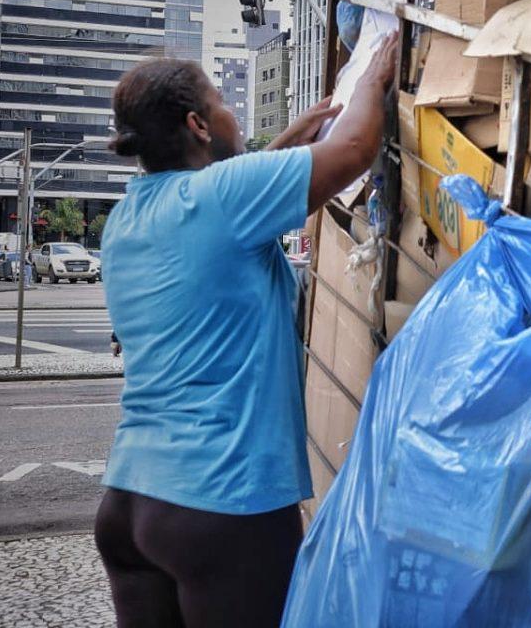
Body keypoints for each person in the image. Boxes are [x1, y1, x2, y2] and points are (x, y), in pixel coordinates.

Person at [93, 33, 398, 628]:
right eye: (220, 102)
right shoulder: (226, 200)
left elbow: (218, 206)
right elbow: (358, 146)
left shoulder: (126, 217)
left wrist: (286, 147)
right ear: (198, 125)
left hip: (130, 507)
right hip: (221, 505)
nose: (231, 110)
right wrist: (371, 79)